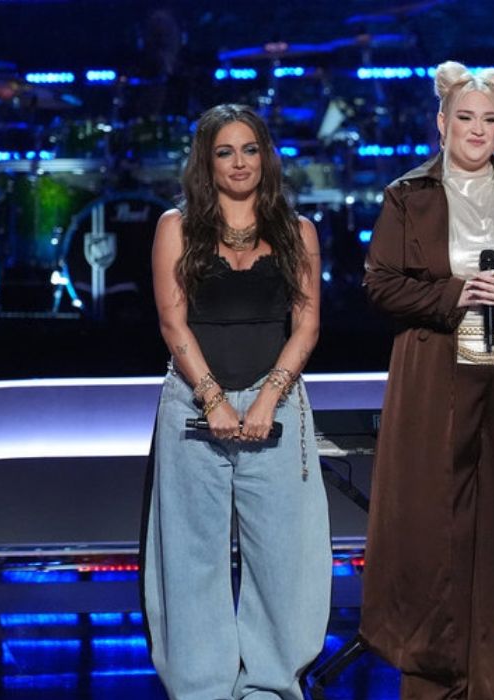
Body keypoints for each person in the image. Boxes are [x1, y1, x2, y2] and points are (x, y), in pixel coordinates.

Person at [360, 61, 494, 700]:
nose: (477, 130)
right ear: (442, 123)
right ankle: (437, 669)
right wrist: (455, 294)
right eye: (465, 118)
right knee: (435, 516)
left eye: (489, 120)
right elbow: (380, 283)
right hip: (438, 375)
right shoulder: (410, 194)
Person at [142, 103, 331, 700]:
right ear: (207, 161)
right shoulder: (176, 226)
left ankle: (271, 687)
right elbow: (174, 325)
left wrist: (267, 398)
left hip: (276, 406)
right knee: (191, 556)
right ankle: (201, 687)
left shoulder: (298, 231)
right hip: (194, 406)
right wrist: (213, 399)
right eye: (225, 151)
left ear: (265, 156)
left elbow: (306, 326)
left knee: (285, 556)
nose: (240, 162)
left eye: (249, 149)